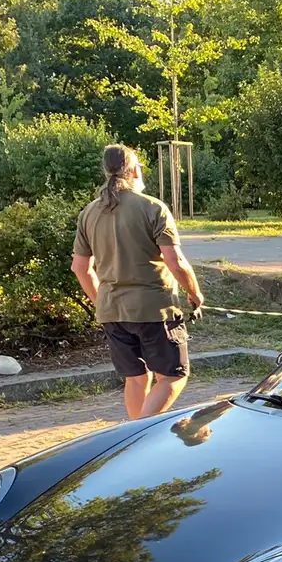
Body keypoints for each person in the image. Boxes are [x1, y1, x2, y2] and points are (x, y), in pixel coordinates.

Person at [71, 144, 205, 421]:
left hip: (111, 310)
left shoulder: (89, 213)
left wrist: (102, 301)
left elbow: (80, 268)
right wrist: (195, 293)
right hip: (154, 308)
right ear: (134, 171)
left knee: (136, 379)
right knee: (173, 375)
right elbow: (175, 262)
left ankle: (132, 434)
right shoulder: (152, 207)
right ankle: (139, 434)